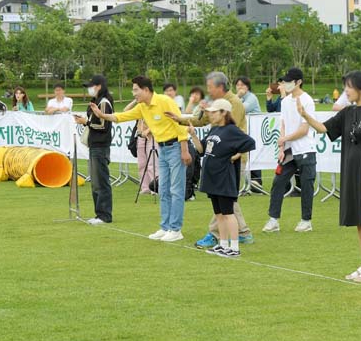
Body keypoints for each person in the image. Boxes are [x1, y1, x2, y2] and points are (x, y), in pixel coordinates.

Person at [298, 71, 361, 283]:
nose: (346, 91)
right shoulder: (348, 112)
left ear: (360, 87)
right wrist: (305, 116)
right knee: (360, 220)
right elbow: (324, 128)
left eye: (349, 87)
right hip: (351, 174)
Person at [90, 76, 191, 242]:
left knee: (176, 190)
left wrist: (184, 150)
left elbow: (180, 124)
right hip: (162, 148)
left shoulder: (165, 101)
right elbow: (122, 116)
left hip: (176, 148)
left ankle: (176, 229)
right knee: (163, 190)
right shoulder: (142, 107)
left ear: (146, 90)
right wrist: (102, 115)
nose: (133, 93)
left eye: (136, 90)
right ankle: (165, 227)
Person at [168, 71, 255, 248]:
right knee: (228, 200)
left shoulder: (233, 104)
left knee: (226, 199)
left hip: (231, 160)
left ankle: (216, 235)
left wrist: (236, 154)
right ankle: (242, 233)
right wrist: (181, 120)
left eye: (210, 87)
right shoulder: (217, 107)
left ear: (220, 87)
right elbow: (202, 121)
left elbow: (235, 133)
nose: (207, 90)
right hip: (217, 158)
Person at [188, 98, 256, 258]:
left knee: (228, 213)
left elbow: (250, 143)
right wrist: (193, 135)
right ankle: (223, 244)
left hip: (224, 177)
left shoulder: (232, 130)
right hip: (212, 177)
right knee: (219, 214)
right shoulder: (214, 130)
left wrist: (235, 155)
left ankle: (234, 247)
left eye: (214, 112)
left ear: (224, 113)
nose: (210, 115)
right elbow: (201, 150)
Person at [262, 67, 318, 233]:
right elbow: (283, 124)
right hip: (289, 151)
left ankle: (306, 221)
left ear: (298, 82)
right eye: (285, 81)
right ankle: (273, 220)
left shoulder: (307, 100)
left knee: (306, 185)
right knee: (278, 182)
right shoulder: (285, 101)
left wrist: (285, 139)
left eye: (289, 81)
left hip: (306, 149)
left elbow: (304, 129)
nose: (285, 84)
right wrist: (282, 146)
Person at [74, 75, 114, 225]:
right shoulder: (96, 101)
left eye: (92, 86)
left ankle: (104, 215)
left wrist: (86, 122)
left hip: (100, 146)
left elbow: (104, 125)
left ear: (99, 86)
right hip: (95, 145)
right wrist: (85, 121)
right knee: (96, 182)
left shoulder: (104, 103)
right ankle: (99, 214)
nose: (90, 89)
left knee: (101, 182)